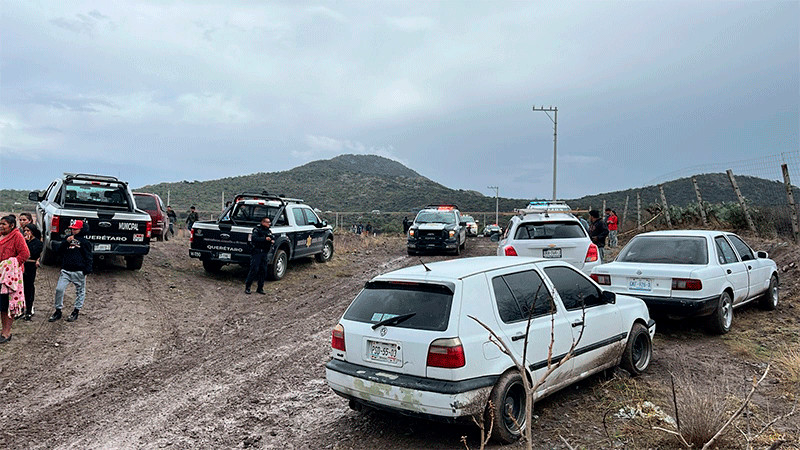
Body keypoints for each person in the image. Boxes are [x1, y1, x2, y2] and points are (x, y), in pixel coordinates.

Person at [49, 220, 93, 323]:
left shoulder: (85, 243)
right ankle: (58, 310)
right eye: (72, 229)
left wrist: (86, 270)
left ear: (81, 230)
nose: (73, 231)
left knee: (80, 291)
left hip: (79, 271)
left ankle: (76, 311)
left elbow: (88, 257)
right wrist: (66, 242)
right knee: (59, 289)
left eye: (76, 229)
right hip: (66, 270)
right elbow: (59, 251)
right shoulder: (67, 239)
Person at [0, 215, 30, 343]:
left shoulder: (17, 236)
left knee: (8, 305)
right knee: (1, 305)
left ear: (12, 225)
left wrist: (10, 265)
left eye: (4, 224)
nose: (1, 226)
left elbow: (25, 254)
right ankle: (2, 331)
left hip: (10, 277)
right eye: (0, 224)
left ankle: (7, 333)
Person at [245, 217, 273, 295]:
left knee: (263, 271)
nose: (269, 224)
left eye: (269, 222)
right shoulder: (257, 230)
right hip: (257, 252)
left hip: (264, 253)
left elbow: (271, 237)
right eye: (267, 222)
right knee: (254, 270)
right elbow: (254, 238)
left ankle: (260, 288)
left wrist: (271, 240)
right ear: (263, 222)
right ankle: (248, 287)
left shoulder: (268, 231)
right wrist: (264, 239)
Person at [22, 224, 43, 321]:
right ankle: (21, 309)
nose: (26, 233)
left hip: (30, 266)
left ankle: (29, 310)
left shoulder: (38, 243)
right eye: (25, 230)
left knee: (29, 288)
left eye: (28, 231)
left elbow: (32, 253)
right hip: (22, 265)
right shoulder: (23, 241)